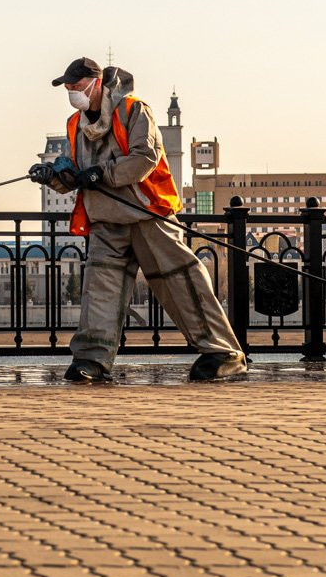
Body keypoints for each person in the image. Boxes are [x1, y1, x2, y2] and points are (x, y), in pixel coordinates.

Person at [29, 57, 247, 383]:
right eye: (69, 89)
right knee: (99, 290)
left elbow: (144, 158)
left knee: (181, 281)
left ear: (96, 83)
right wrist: (54, 176)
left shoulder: (133, 110)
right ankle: (91, 360)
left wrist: (101, 173)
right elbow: (73, 171)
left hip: (148, 214)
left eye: (76, 86)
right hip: (105, 220)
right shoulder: (74, 124)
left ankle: (223, 354)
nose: (72, 93)